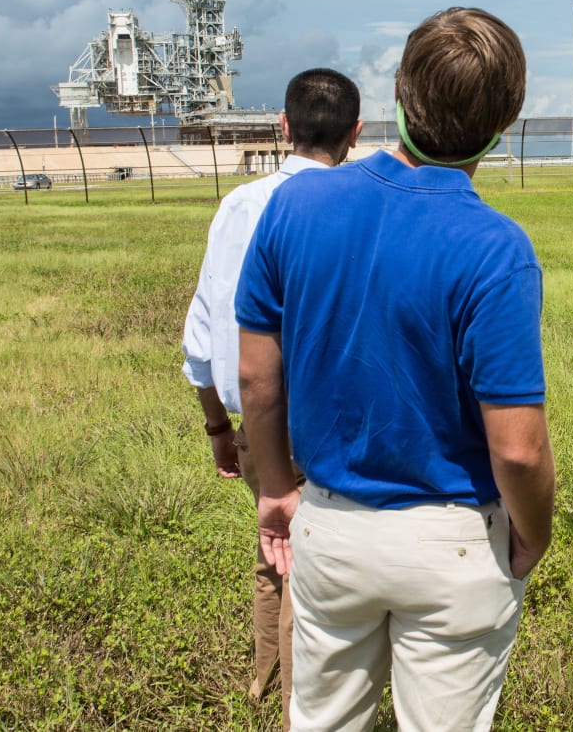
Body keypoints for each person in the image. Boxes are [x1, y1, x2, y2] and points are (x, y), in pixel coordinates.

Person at [236, 7, 555, 732]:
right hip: (455, 538)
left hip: (331, 524)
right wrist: (535, 531)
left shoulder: (295, 204)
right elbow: (517, 445)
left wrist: (277, 486)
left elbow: (257, 378)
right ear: (505, 118)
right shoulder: (497, 247)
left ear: (399, 89)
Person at [181, 68, 362, 727]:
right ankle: (300, 705)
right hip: (328, 421)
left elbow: (203, 326)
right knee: (308, 568)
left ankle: (263, 675)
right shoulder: (357, 203)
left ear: (282, 127)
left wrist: (216, 425)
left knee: (270, 549)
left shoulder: (238, 205)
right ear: (356, 132)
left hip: (254, 422)